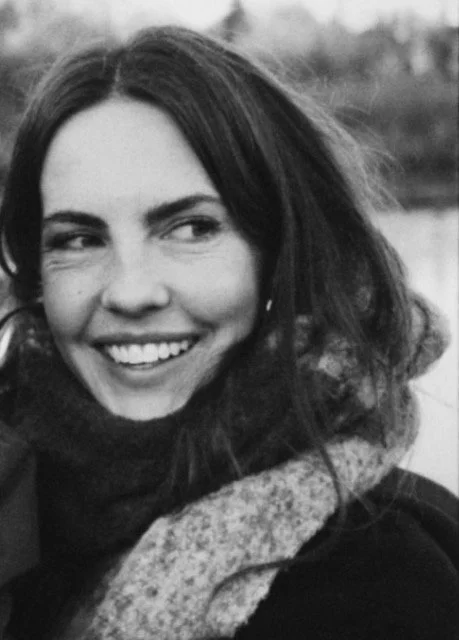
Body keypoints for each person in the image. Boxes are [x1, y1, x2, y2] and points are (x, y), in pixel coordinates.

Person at [0, 25, 457, 640]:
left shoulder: (388, 584)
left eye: (191, 228)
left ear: (281, 252)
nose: (130, 292)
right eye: (79, 239)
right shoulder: (18, 520)